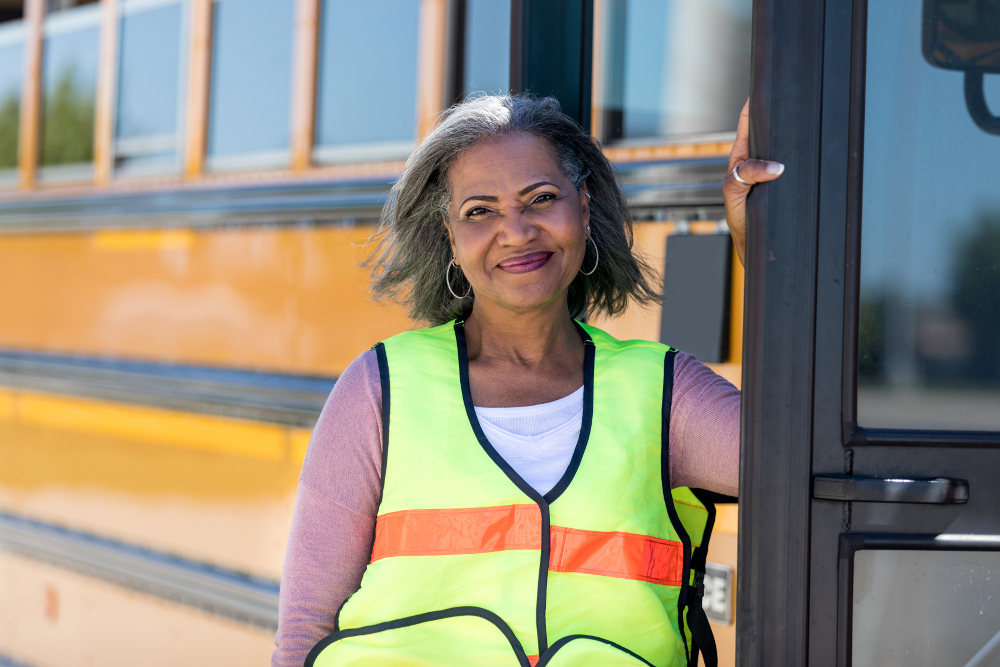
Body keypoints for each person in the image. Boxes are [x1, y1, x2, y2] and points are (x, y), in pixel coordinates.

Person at [272, 95, 782, 667]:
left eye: (541, 199)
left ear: (582, 209)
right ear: (450, 236)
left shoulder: (664, 392)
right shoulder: (380, 390)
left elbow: (796, 454)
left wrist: (761, 251)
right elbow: (305, 630)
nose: (515, 232)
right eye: (479, 212)